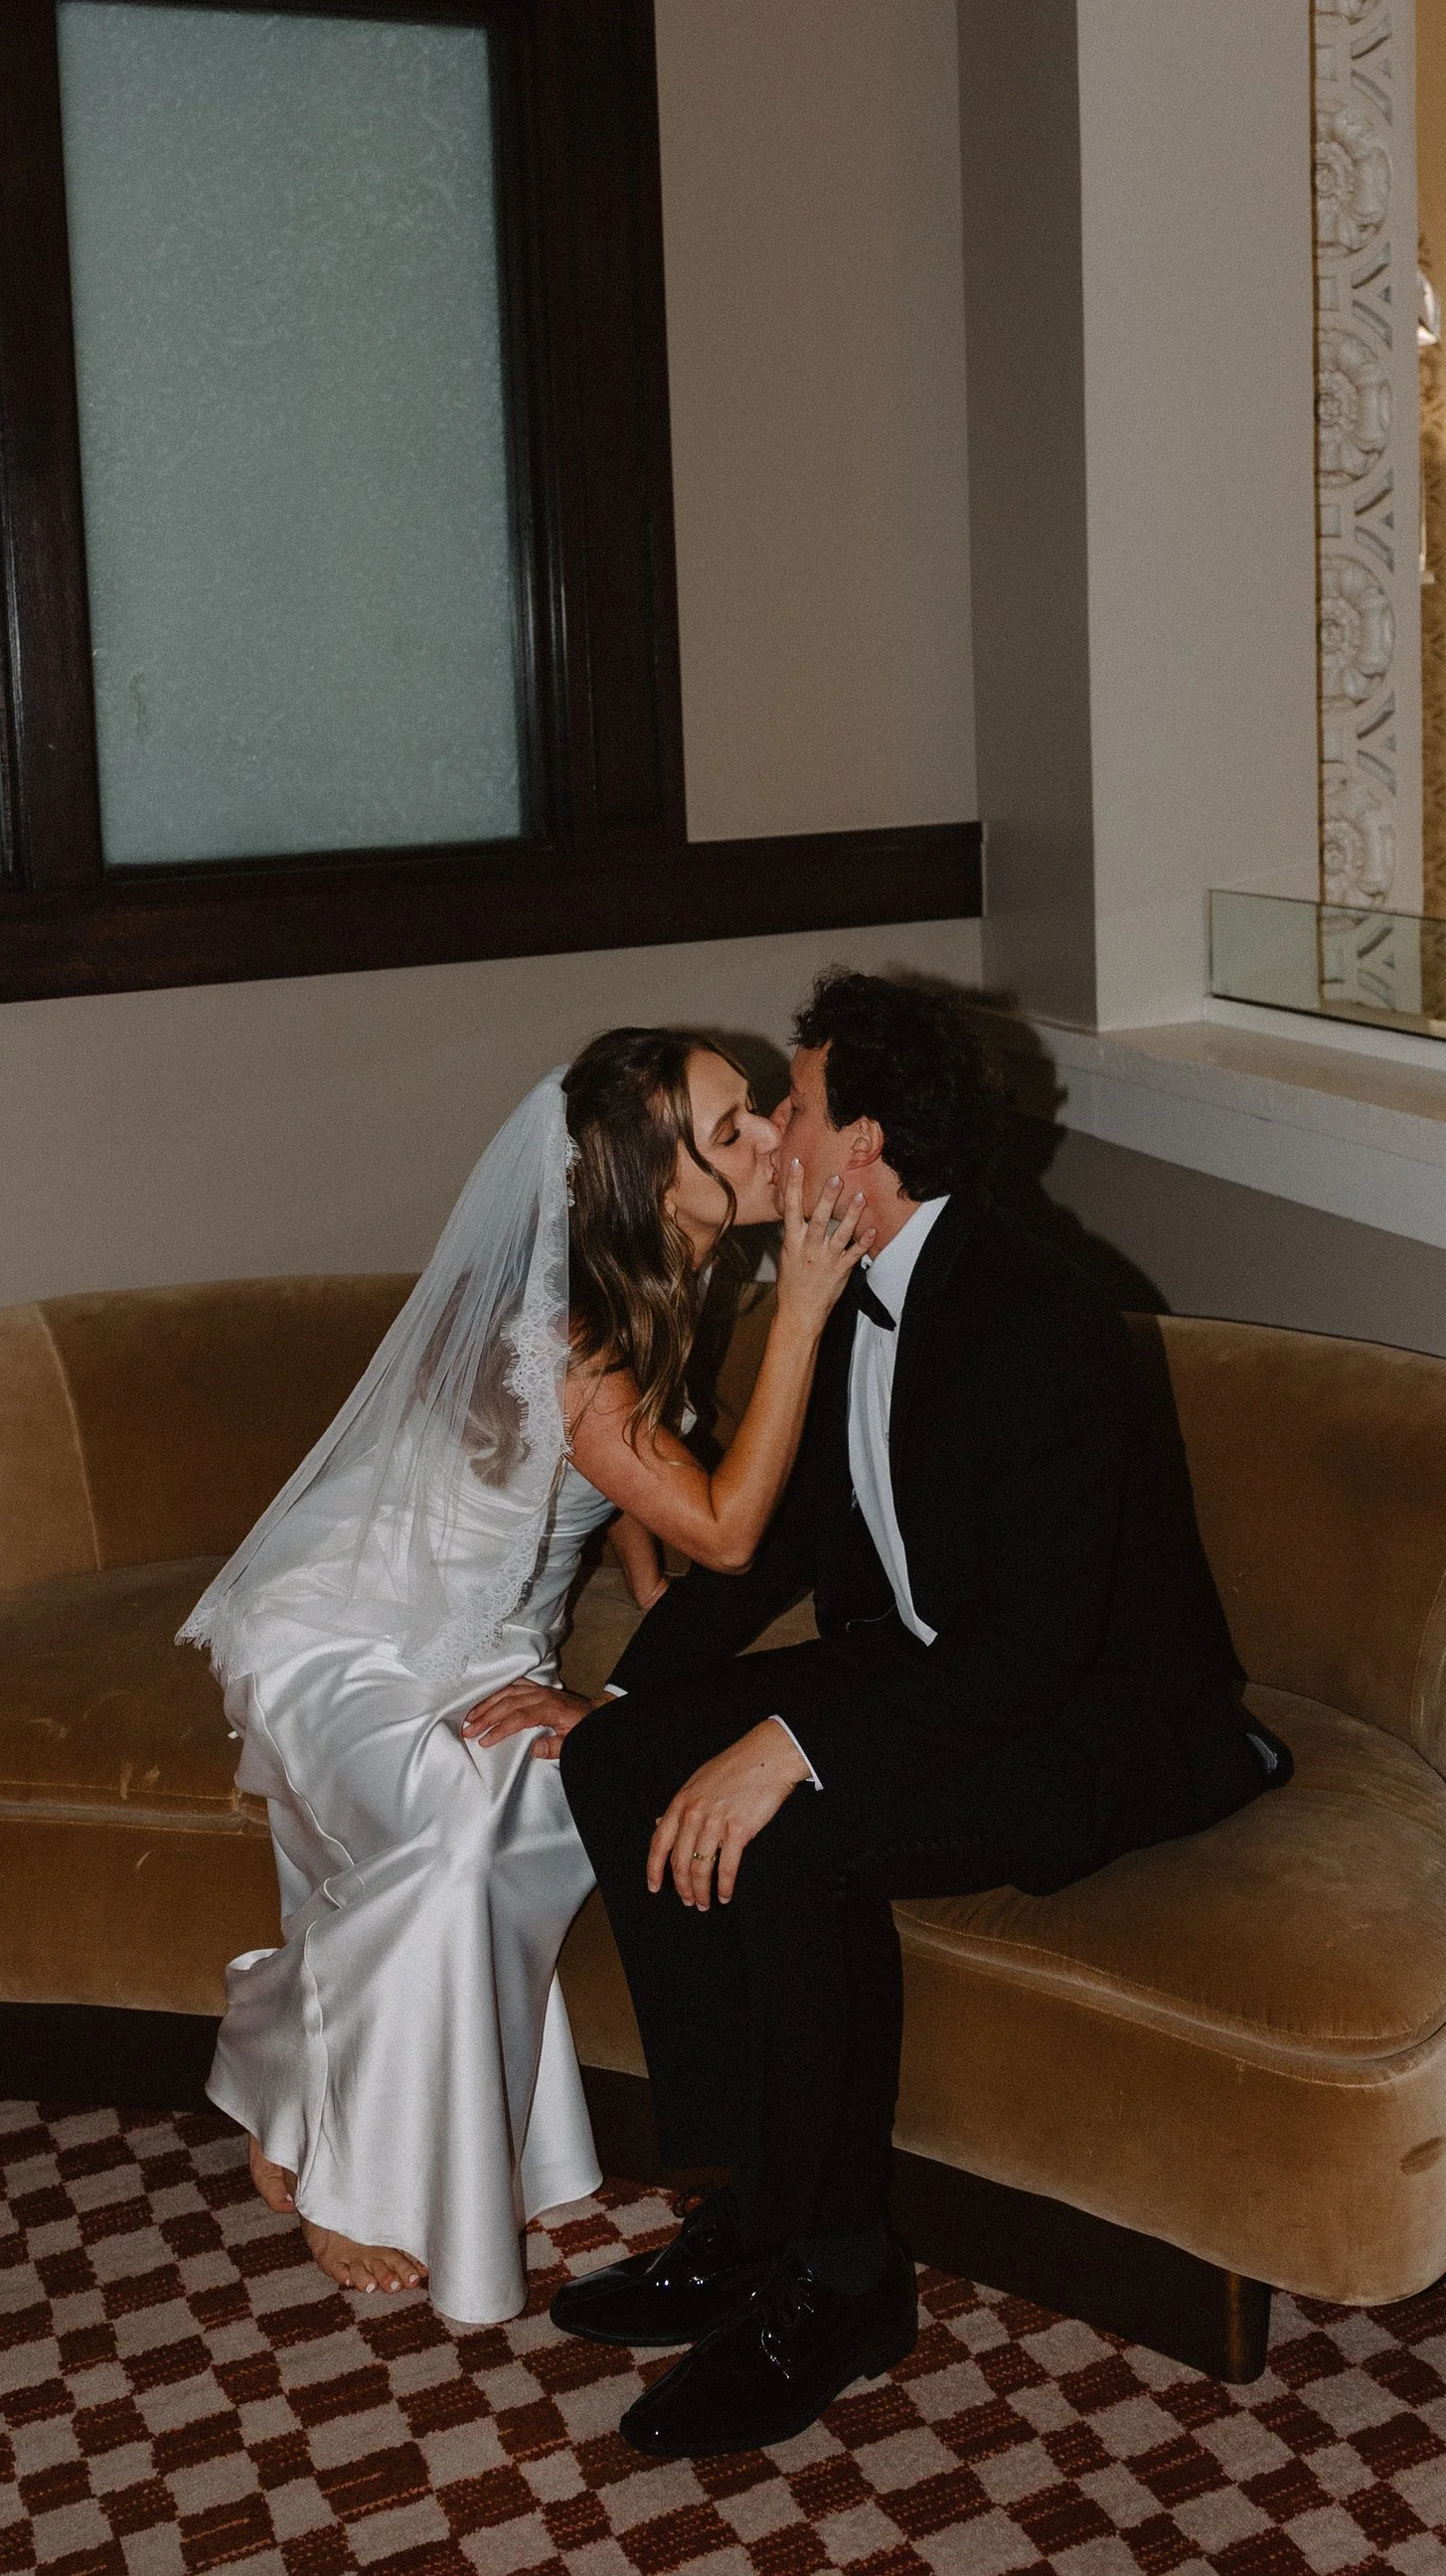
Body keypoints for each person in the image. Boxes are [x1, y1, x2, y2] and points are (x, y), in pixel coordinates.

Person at [555, 969, 1287, 2458]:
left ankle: (839, 2279)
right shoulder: (842, 1285)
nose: (773, 1131)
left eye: (797, 1106)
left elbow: (1028, 1656)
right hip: (936, 1673)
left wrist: (793, 1744)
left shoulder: (1039, 1319)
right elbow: (799, 1537)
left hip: (1088, 1724)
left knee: (791, 1840)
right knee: (625, 1758)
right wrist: (624, 1691)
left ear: (865, 1143)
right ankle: (752, 2210)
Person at [179, 1028, 866, 2330]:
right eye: (734, 1135)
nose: (777, 1137)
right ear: (655, 1191)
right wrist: (806, 1313)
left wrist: (645, 1579)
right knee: (454, 1838)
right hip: (342, 1634)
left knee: (555, 1810)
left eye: (762, 1109)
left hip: (485, 1646)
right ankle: (342, 2153)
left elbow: (614, 1475)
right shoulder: (581, 1332)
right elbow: (719, 1513)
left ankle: (294, 2067)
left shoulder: (653, 1280)